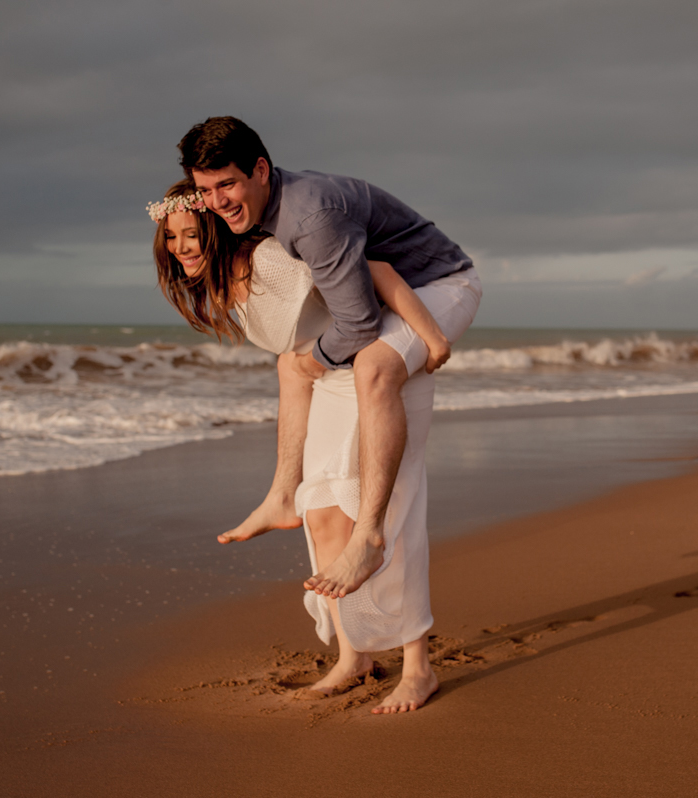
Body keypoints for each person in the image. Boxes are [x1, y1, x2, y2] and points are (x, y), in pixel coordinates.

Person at [150, 179, 469, 712]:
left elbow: (377, 271)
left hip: (376, 369)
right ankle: (354, 656)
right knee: (321, 515)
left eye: (190, 234)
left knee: (387, 512)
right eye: (171, 238)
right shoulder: (223, 281)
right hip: (330, 379)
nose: (181, 247)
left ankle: (418, 666)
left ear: (214, 230)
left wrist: (431, 336)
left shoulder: (270, 260)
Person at [178, 117, 481, 601]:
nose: (217, 202)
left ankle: (369, 537)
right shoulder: (261, 205)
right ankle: (281, 495)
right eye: (206, 190)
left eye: (227, 184)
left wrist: (312, 361)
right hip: (391, 292)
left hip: (439, 285)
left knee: (372, 366)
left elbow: (359, 326)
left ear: (260, 170)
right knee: (291, 364)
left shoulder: (308, 218)